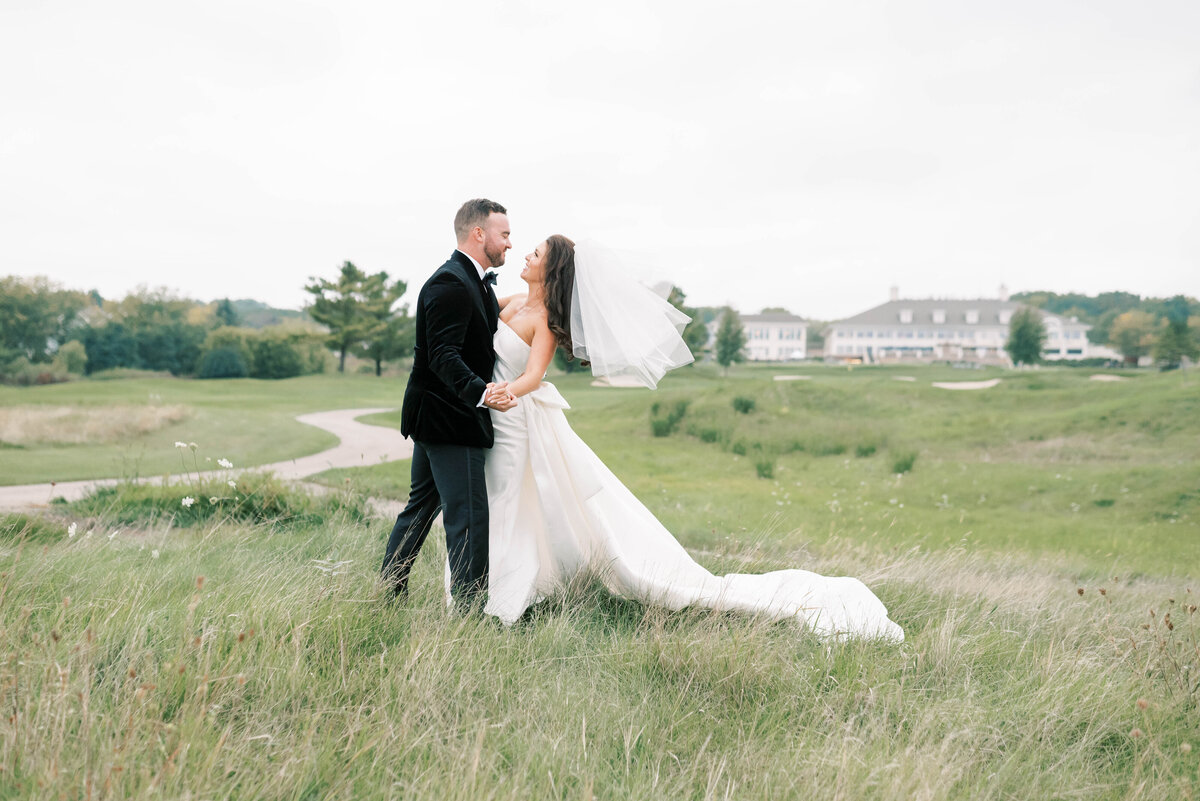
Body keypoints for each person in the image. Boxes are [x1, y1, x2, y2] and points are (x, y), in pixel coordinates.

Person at [475, 235, 904, 640]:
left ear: (550, 271)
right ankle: (517, 580)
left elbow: (533, 375)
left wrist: (501, 392)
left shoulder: (546, 322)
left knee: (514, 495)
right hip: (495, 415)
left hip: (515, 415)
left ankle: (510, 591)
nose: (526, 257)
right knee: (512, 497)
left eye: (535, 254)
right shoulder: (510, 302)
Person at [381, 199, 518, 608]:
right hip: (450, 419)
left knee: (420, 509)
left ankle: (388, 592)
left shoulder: (471, 280)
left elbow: (490, 320)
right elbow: (442, 355)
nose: (510, 244)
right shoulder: (450, 283)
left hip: (436, 417)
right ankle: (470, 613)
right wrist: (484, 392)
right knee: (469, 519)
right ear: (479, 234)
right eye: (505, 234)